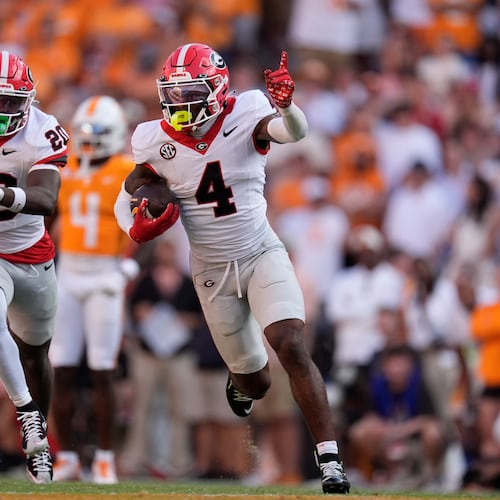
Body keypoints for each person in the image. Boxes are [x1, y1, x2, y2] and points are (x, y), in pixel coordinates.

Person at [114, 42, 350, 494]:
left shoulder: (247, 110)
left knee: (290, 343)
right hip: (210, 269)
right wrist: (138, 229)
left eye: (190, 93)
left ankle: (330, 461)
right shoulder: (152, 138)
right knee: (256, 381)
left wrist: (288, 106)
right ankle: (242, 381)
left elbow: (292, 133)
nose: (180, 104)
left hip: (260, 249)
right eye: (175, 93)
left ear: (218, 89)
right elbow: (126, 199)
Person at [48, 95, 138, 484]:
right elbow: (48, 217)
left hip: (105, 274)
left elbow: (152, 218)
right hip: (68, 274)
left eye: (95, 132)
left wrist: (130, 266)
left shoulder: (128, 168)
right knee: (61, 369)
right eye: (82, 131)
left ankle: (104, 458)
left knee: (104, 371)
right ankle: (65, 456)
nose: (87, 139)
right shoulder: (64, 165)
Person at [0, 50, 69, 483]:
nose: (2, 110)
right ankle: (27, 415)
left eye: (9, 101)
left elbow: (46, 200)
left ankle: (38, 424)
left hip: (33, 254)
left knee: (36, 353)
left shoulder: (42, 132)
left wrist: (5, 197)